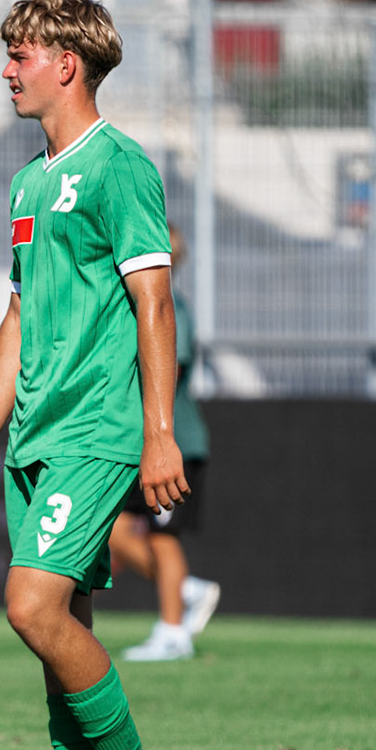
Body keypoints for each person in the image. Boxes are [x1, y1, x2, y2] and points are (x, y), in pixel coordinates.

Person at [0, 0, 186, 750]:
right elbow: (17, 317)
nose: (8, 71)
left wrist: (159, 431)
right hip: (34, 436)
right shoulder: (27, 181)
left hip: (96, 428)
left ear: (66, 65)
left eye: (20, 55)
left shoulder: (119, 167)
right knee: (60, 631)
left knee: (30, 606)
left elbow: (154, 304)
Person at [113, 224, 220, 662]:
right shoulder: (131, 306)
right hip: (139, 440)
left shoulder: (170, 307)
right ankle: (187, 589)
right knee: (115, 531)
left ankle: (174, 632)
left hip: (174, 441)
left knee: (163, 537)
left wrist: (155, 435)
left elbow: (167, 375)